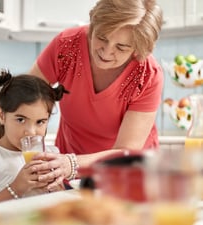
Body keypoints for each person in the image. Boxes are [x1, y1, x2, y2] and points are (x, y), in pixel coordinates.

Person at [28, 0, 164, 190]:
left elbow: (126, 150)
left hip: (128, 172)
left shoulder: (147, 74)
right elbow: (24, 97)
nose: (107, 51)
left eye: (122, 47)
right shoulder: (66, 46)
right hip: (66, 167)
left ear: (137, 49)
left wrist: (71, 163)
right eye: (102, 37)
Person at [0, 70, 69, 203]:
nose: (31, 132)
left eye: (40, 122)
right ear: (1, 115)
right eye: (20, 120)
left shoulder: (51, 156)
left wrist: (53, 186)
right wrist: (16, 188)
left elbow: (63, 202)